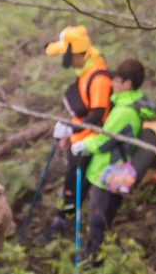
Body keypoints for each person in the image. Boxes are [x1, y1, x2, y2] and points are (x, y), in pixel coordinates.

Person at [71, 58, 156, 252]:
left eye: (117, 80)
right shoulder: (132, 104)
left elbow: (104, 142)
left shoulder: (124, 111)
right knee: (101, 222)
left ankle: (91, 266)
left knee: (97, 224)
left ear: (127, 84)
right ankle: (93, 261)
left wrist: (82, 144)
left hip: (107, 176)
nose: (112, 83)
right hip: (115, 172)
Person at [45, 26, 115, 238]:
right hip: (78, 138)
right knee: (70, 185)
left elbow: (96, 115)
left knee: (75, 187)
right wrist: (69, 131)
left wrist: (71, 129)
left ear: (75, 53)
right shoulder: (85, 71)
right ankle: (63, 219)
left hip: (89, 143)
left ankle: (65, 223)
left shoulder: (98, 78)